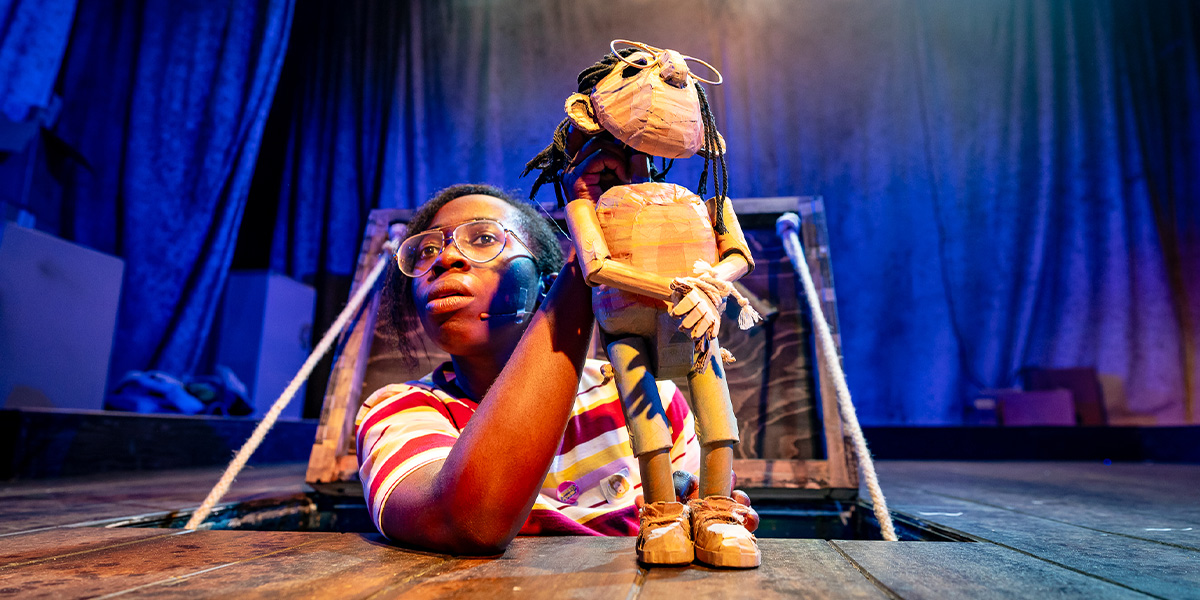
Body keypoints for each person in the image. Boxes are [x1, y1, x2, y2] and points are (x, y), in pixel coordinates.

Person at [356, 179, 756, 556]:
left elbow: (688, 512)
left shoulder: (650, 398)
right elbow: (466, 522)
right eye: (425, 250)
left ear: (548, 282)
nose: (446, 258)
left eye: (483, 238)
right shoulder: (399, 410)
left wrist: (709, 515)